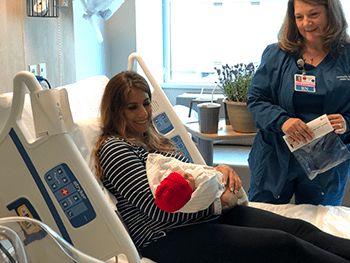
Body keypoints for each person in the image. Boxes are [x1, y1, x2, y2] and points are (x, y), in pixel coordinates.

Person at [94, 70, 350, 263]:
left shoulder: (154, 140)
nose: (144, 113)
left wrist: (218, 172)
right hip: (166, 236)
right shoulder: (116, 150)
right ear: (116, 110)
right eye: (132, 107)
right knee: (285, 244)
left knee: (298, 229)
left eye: (146, 103)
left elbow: (193, 178)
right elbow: (160, 212)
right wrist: (221, 203)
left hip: (203, 217)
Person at [247, 0, 350, 206]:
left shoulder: (346, 56)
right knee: (265, 223)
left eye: (313, 14)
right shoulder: (277, 54)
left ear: (331, 14)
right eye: (299, 16)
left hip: (326, 163)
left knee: (318, 228)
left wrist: (347, 122)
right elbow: (256, 99)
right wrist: (282, 121)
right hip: (276, 157)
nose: (305, 23)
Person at [146, 153, 244, 213]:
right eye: (186, 179)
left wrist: (223, 168)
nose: (187, 174)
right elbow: (210, 180)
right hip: (204, 220)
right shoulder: (200, 185)